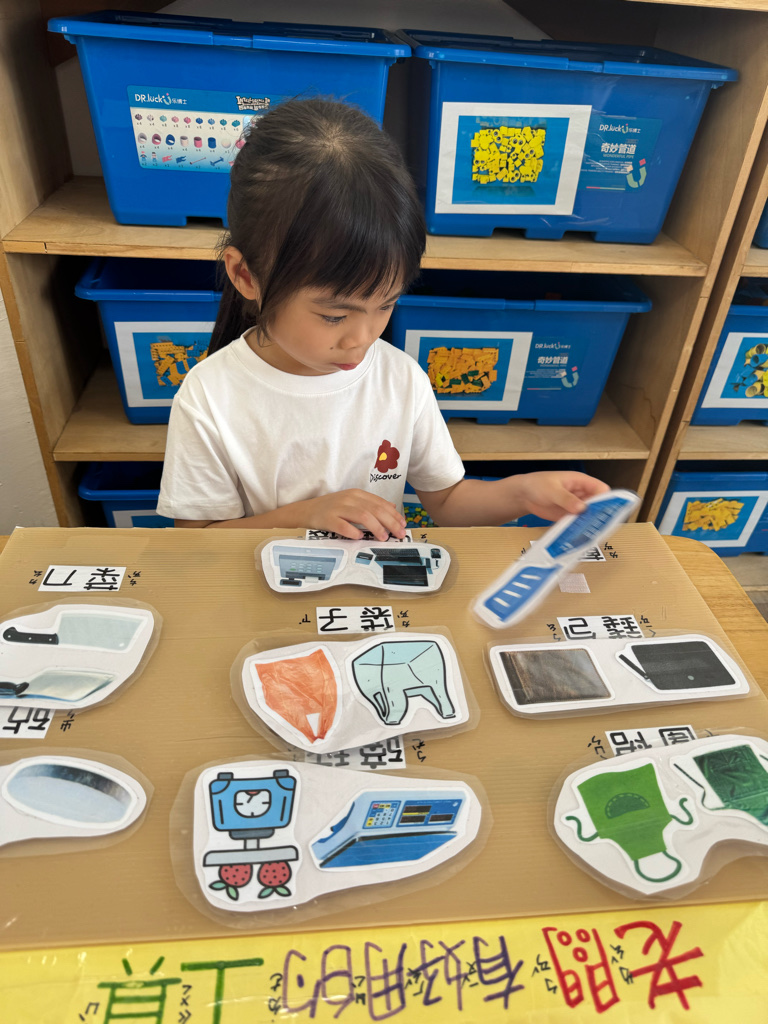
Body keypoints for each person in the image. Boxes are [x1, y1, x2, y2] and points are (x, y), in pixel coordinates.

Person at [157, 98, 609, 538]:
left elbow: (447, 500)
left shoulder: (401, 380)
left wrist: (522, 492)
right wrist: (306, 516)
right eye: (334, 316)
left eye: (386, 305)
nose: (363, 338)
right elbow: (197, 540)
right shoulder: (210, 397)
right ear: (245, 275)